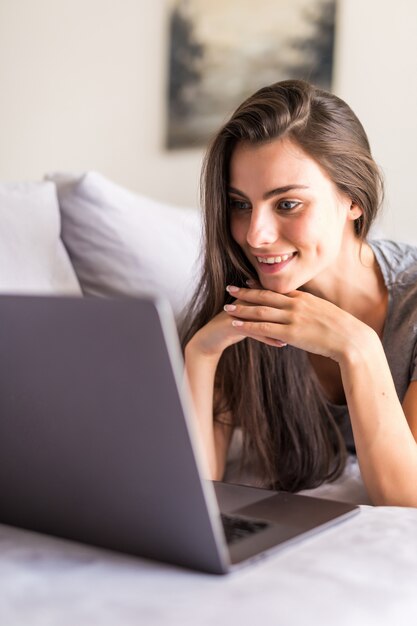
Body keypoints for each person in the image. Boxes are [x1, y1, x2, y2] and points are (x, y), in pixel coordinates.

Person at [180, 79, 417, 507]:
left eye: (287, 204)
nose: (256, 235)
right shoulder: (241, 297)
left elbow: (406, 500)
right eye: (240, 204)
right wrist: (201, 354)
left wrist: (358, 347)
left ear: (353, 200)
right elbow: (192, 494)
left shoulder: (411, 306)